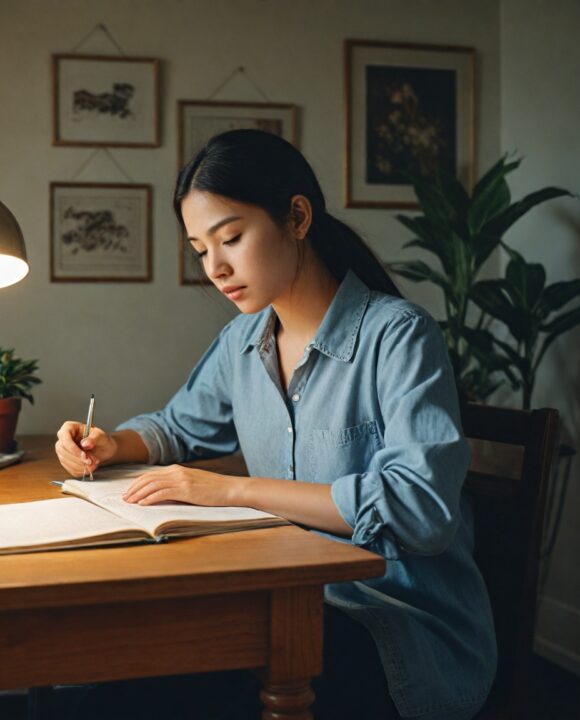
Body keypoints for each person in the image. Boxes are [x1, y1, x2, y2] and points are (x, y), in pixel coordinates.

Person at [54, 129, 496, 720]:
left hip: (392, 625)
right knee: (117, 672)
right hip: (285, 600)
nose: (215, 267)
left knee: (150, 684)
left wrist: (233, 490)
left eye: (231, 238)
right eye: (200, 249)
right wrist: (111, 445)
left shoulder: (398, 336)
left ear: (296, 216)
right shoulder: (242, 342)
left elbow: (419, 508)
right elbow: (177, 427)